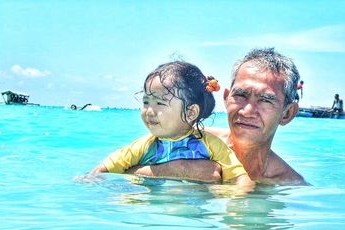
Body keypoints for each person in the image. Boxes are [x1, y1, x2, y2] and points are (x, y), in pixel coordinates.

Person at [127, 48, 308, 186]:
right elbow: (112, 174)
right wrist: (178, 169)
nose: (247, 111)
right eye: (240, 95)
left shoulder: (291, 185)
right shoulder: (184, 137)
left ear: (287, 113)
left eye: (266, 100)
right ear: (226, 97)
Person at [88, 61, 251, 185]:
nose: (149, 110)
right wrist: (89, 180)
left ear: (190, 112)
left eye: (159, 103)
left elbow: (239, 177)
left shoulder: (211, 145)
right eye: (146, 102)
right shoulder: (143, 146)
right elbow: (104, 170)